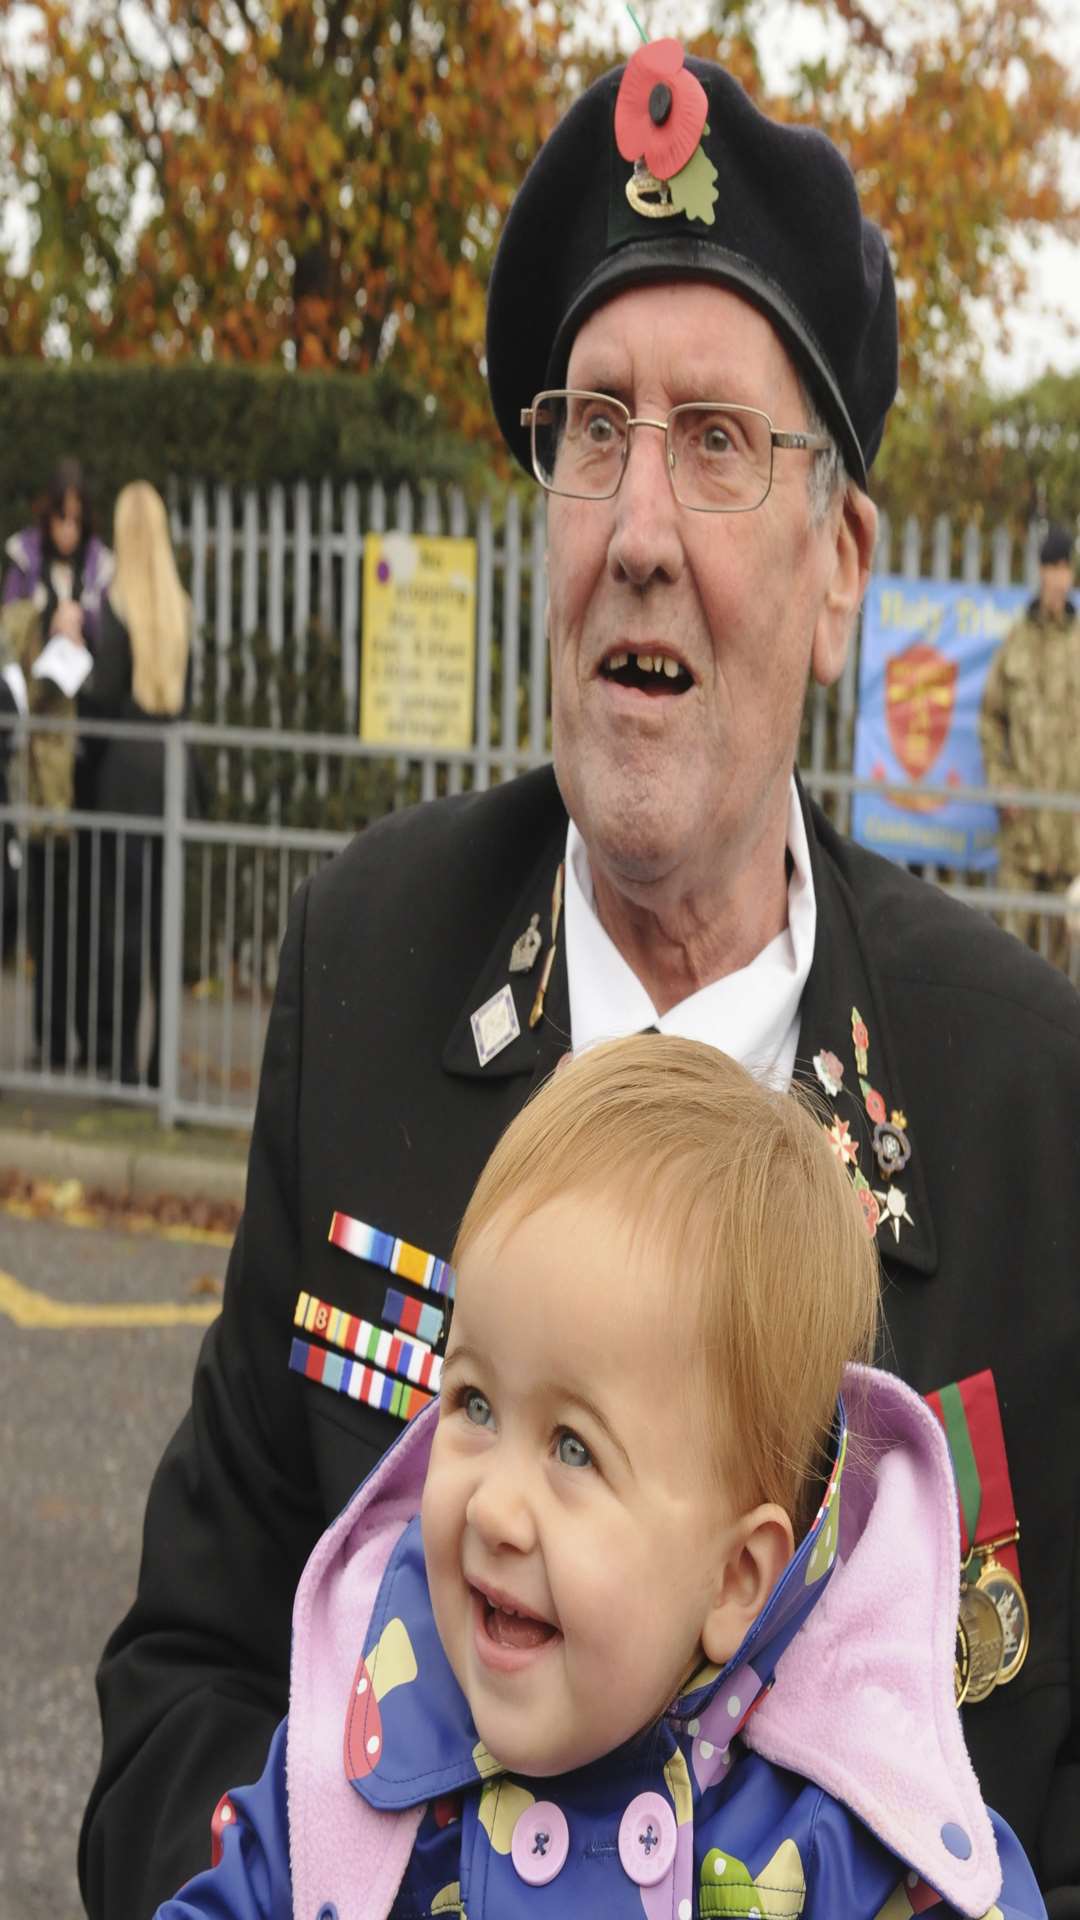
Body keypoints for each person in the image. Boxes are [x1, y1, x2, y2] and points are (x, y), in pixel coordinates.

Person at [81, 42, 1080, 1919]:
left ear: (843, 557)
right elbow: (182, 1684)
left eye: (715, 444)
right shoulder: (369, 969)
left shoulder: (1028, 1100)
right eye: (593, 431)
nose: (633, 531)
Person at [154, 1038, 1043, 1920]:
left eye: (574, 1450)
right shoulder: (367, 1730)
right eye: (472, 1404)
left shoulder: (856, 1846)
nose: (495, 1508)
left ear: (736, 1580)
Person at [78, 481, 194, 1086]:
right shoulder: (181, 608)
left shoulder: (115, 607)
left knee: (119, 927)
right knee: (161, 934)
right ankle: (159, 1069)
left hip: (122, 780)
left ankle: (123, 1062)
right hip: (169, 777)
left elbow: (100, 698)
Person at [0, 458, 113, 1065]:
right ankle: (48, 1041)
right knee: (45, 916)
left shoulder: (100, 568)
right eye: (60, 518)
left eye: (78, 519)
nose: (69, 530)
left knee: (82, 915)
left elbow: (113, 647)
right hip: (42, 770)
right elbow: (9, 645)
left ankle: (86, 1037)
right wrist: (50, 623)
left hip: (85, 765)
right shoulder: (23, 566)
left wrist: (84, 624)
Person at [978, 522, 1079, 968]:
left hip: (1069, 838)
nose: (1055, 576)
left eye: (1062, 566)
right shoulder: (1015, 642)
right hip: (1021, 838)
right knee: (1011, 963)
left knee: (1059, 979)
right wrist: (1002, 784)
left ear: (1071, 574)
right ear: (1039, 572)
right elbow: (989, 718)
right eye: (1048, 566)